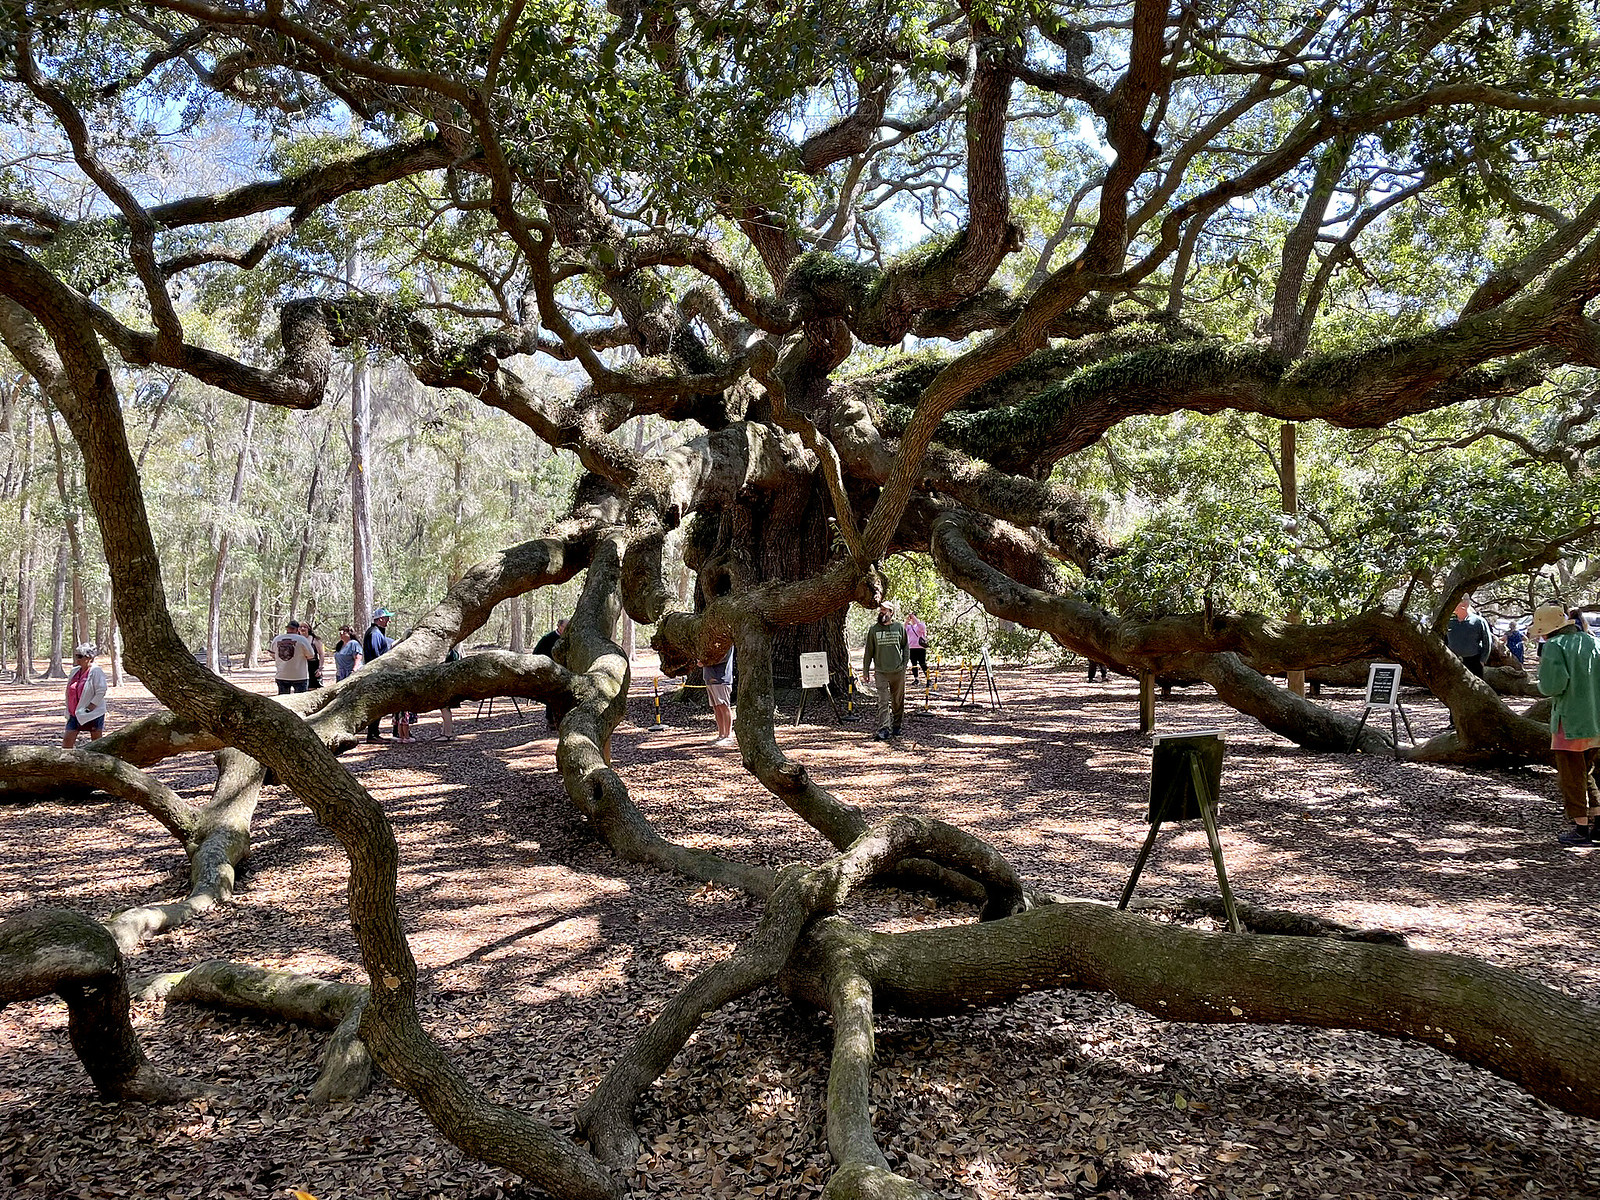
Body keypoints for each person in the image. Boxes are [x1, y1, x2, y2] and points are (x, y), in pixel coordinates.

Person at [1531, 604, 1600, 846]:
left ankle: (1581, 828)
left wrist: (1540, 685)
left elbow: (1552, 685)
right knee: (1591, 770)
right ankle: (1598, 823)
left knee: (1572, 774)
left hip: (1569, 720)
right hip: (1596, 719)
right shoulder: (1591, 641)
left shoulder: (1554, 646)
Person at [861, 600, 909, 740]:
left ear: (891, 613)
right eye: (881, 609)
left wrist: (904, 665)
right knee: (883, 700)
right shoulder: (874, 630)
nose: (882, 612)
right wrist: (866, 671)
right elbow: (869, 651)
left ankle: (896, 726)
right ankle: (884, 728)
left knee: (897, 700)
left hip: (897, 672)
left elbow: (905, 647)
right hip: (881, 672)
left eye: (885, 610)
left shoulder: (899, 628)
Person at [362, 608, 410, 742]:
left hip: (377, 673)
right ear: (381, 619)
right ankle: (372, 735)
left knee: (378, 705)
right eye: (387, 618)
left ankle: (375, 733)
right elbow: (376, 656)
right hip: (376, 674)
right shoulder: (374, 634)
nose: (389, 620)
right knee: (376, 705)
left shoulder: (377, 633)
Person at [62, 643, 107, 748]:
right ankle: (66, 763)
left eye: (80, 656)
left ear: (89, 658)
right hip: (74, 714)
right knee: (67, 743)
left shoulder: (96, 671)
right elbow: (69, 691)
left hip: (93, 714)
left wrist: (90, 707)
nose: (77, 659)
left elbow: (101, 690)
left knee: (97, 744)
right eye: (76, 655)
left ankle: (98, 763)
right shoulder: (74, 671)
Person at [534, 618, 569, 730]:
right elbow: (536, 654)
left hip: (566, 672)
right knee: (552, 696)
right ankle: (550, 720)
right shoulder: (547, 639)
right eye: (565, 627)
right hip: (550, 672)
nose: (567, 629)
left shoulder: (569, 638)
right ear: (559, 626)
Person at [1446, 599, 1493, 678]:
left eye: (1456, 605)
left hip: (1474, 661)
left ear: (1464, 606)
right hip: (1453, 660)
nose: (1454, 608)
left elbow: (1487, 642)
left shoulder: (1479, 621)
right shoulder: (1449, 622)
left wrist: (1482, 660)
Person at [272, 620, 315, 695]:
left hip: (282, 674)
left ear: (287, 629)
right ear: (297, 629)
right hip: (299, 676)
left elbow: (273, 654)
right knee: (301, 700)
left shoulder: (277, 639)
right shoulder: (302, 639)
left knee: (283, 701)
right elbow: (311, 655)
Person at [705, 644, 735, 747]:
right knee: (716, 707)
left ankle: (728, 736)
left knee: (723, 705)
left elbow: (722, 657)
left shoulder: (726, 641)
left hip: (721, 678)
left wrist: (705, 661)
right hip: (709, 677)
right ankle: (721, 735)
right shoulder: (708, 640)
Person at [904, 611, 928, 684]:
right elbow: (903, 630)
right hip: (911, 648)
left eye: (913, 617)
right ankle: (916, 679)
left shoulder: (920, 624)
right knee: (914, 664)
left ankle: (928, 678)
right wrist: (907, 621)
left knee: (922, 663)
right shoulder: (909, 627)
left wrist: (915, 619)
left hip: (920, 648)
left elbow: (922, 628)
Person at [304, 623, 325, 689]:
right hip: (302, 666)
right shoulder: (297, 640)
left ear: (309, 629)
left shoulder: (315, 640)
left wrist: (320, 668)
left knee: (315, 688)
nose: (302, 628)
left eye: (305, 627)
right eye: (300, 627)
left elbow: (321, 654)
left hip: (313, 666)